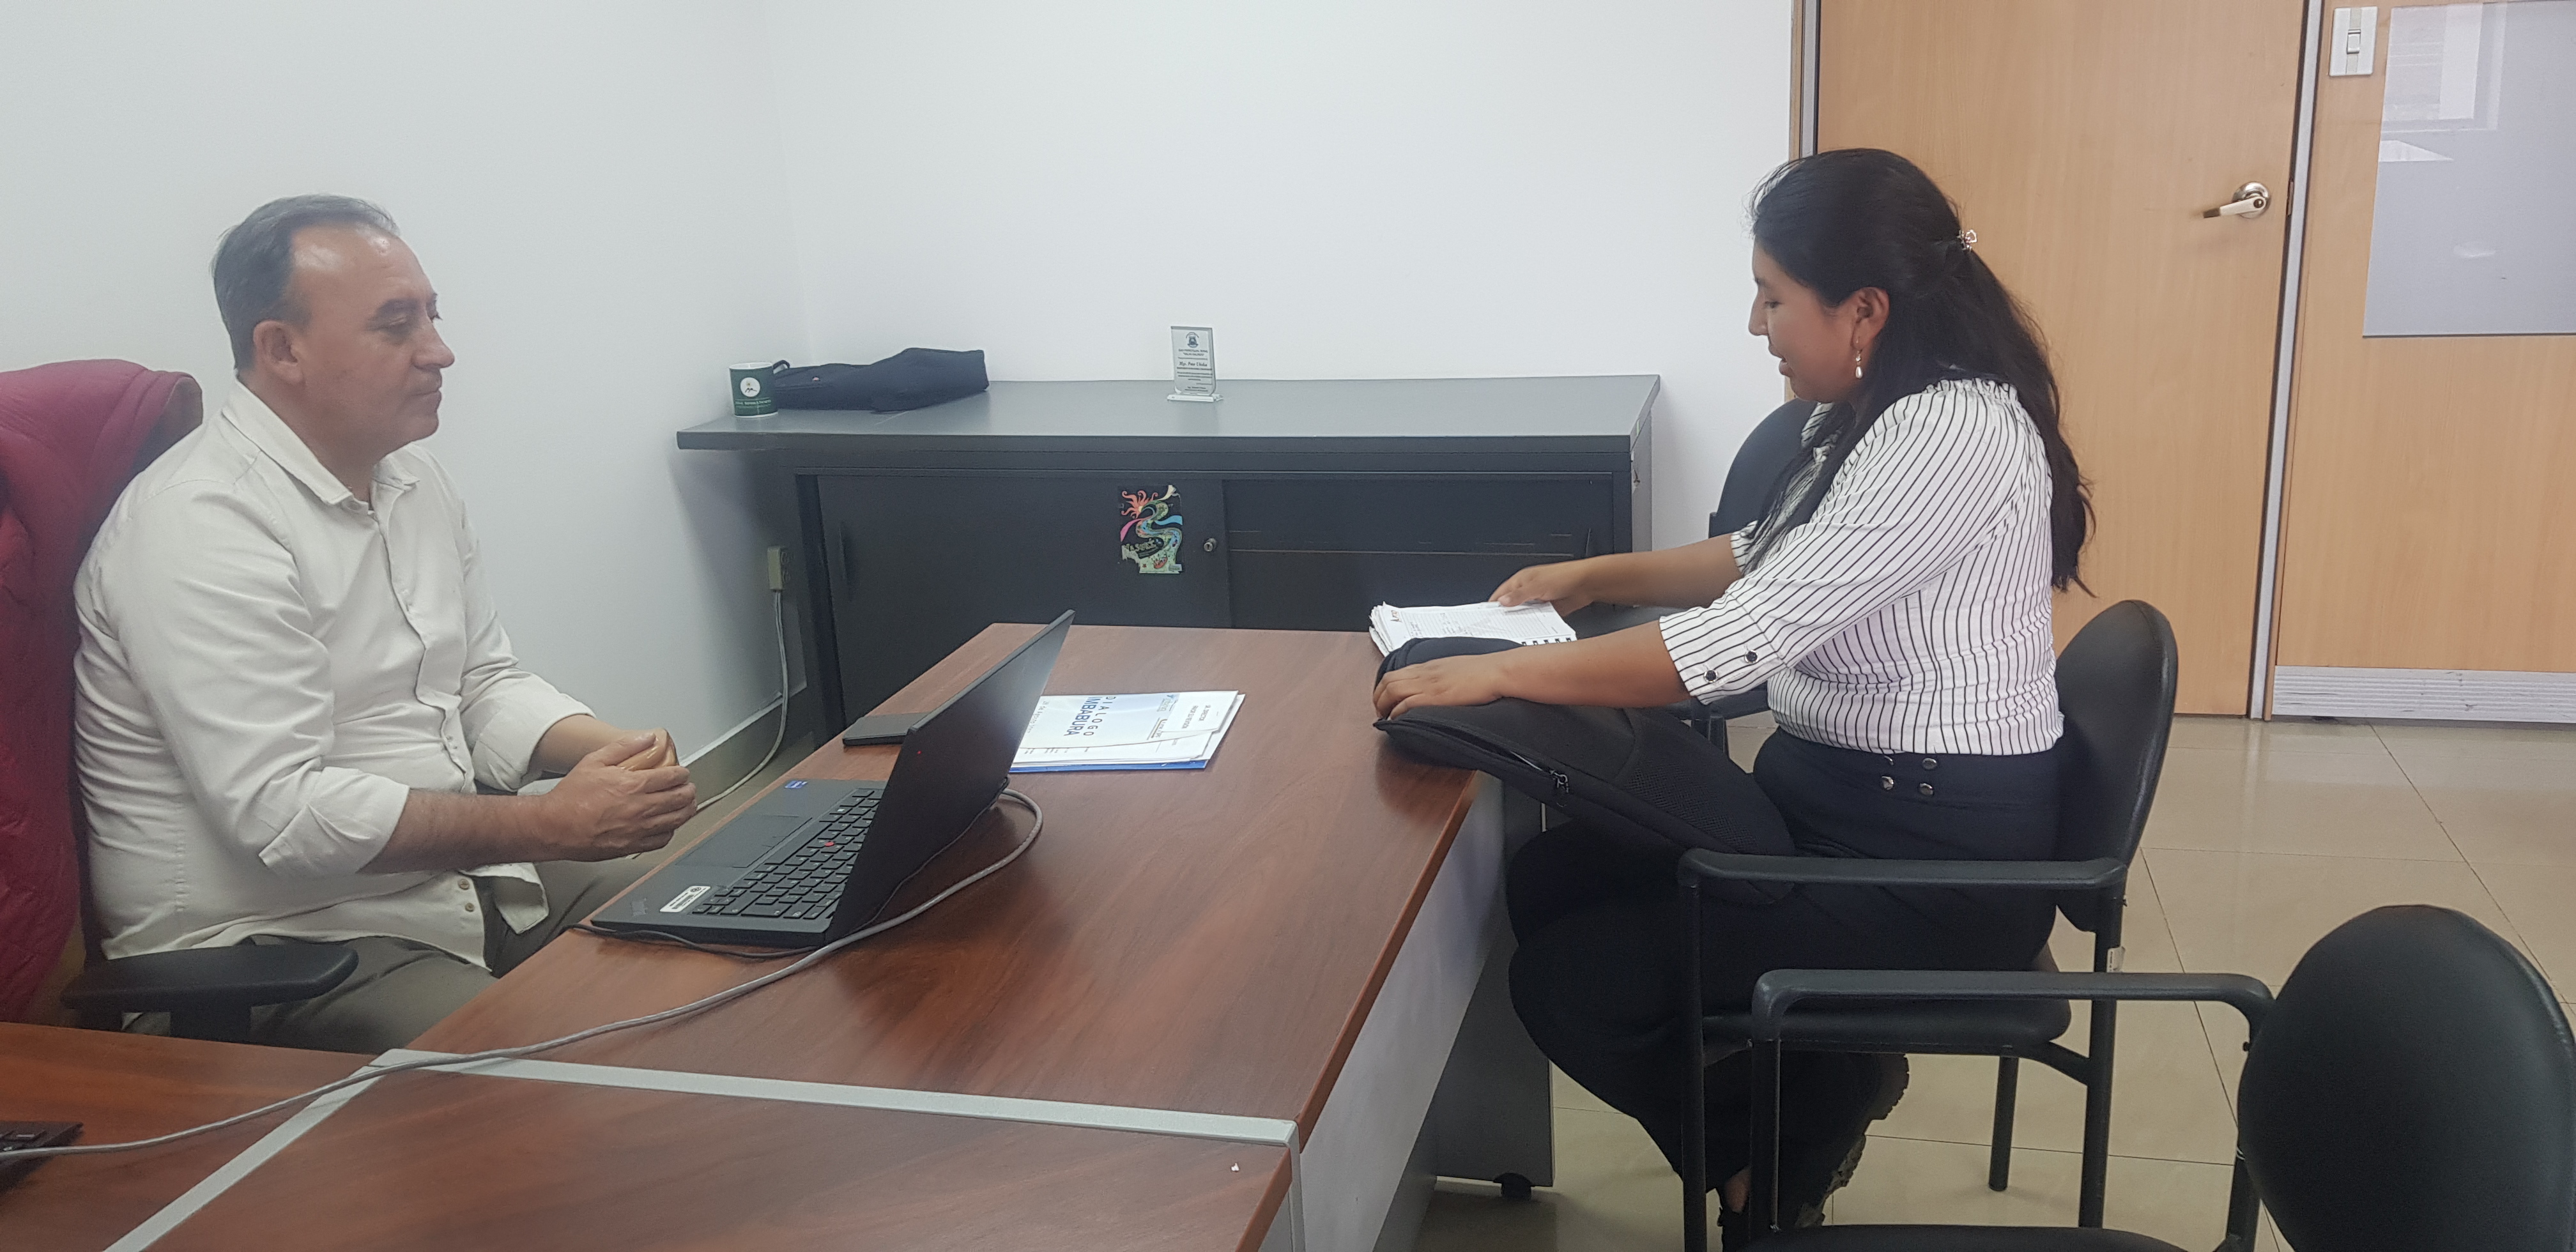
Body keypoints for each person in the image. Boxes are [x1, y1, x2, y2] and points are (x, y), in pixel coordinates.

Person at [1372, 149, 2090, 1240]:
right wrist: (1593, 576)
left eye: (1772, 296)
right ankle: (1803, 1103)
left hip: (1936, 865)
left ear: (1864, 310)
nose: (1757, 324)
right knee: (1552, 878)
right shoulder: (1879, 408)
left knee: (1569, 984)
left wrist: (1501, 668)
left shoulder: (1949, 432)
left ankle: (1783, 1142)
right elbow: (1762, 555)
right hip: (1844, 806)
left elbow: (1744, 639)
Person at [74, 195, 697, 1053]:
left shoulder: (413, 478)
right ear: (280, 349)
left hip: (444, 884)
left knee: (724, 918)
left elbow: (479, 682)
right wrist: (553, 824)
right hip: (280, 947)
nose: (439, 351)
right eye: (396, 325)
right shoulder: (198, 524)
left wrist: (615, 753)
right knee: (544, 1082)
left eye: (432, 316)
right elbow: (287, 814)